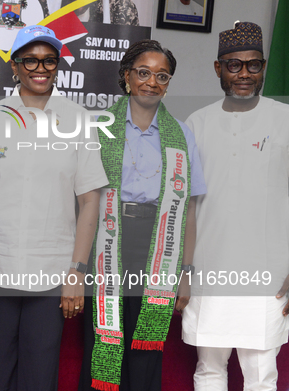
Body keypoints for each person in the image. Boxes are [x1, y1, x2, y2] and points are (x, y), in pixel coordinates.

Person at [0, 25, 108, 391]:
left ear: (58, 65)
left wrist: (76, 272)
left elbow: (89, 200)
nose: (40, 68)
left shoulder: (78, 119)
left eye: (49, 60)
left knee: (40, 375)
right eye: (30, 60)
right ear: (14, 66)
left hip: (54, 272)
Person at [78, 39, 206, 391]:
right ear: (126, 76)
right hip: (105, 240)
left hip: (159, 244)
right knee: (103, 339)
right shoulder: (97, 126)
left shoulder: (181, 135)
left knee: (146, 348)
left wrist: (185, 272)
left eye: (162, 76)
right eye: (144, 73)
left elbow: (189, 209)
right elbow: (82, 200)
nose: (152, 82)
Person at [182, 21, 289, 391]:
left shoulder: (285, 120)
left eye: (254, 65)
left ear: (263, 66)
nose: (244, 74)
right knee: (209, 370)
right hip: (208, 272)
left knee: (261, 374)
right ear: (218, 69)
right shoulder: (196, 124)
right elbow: (185, 205)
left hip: (269, 275)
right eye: (234, 65)